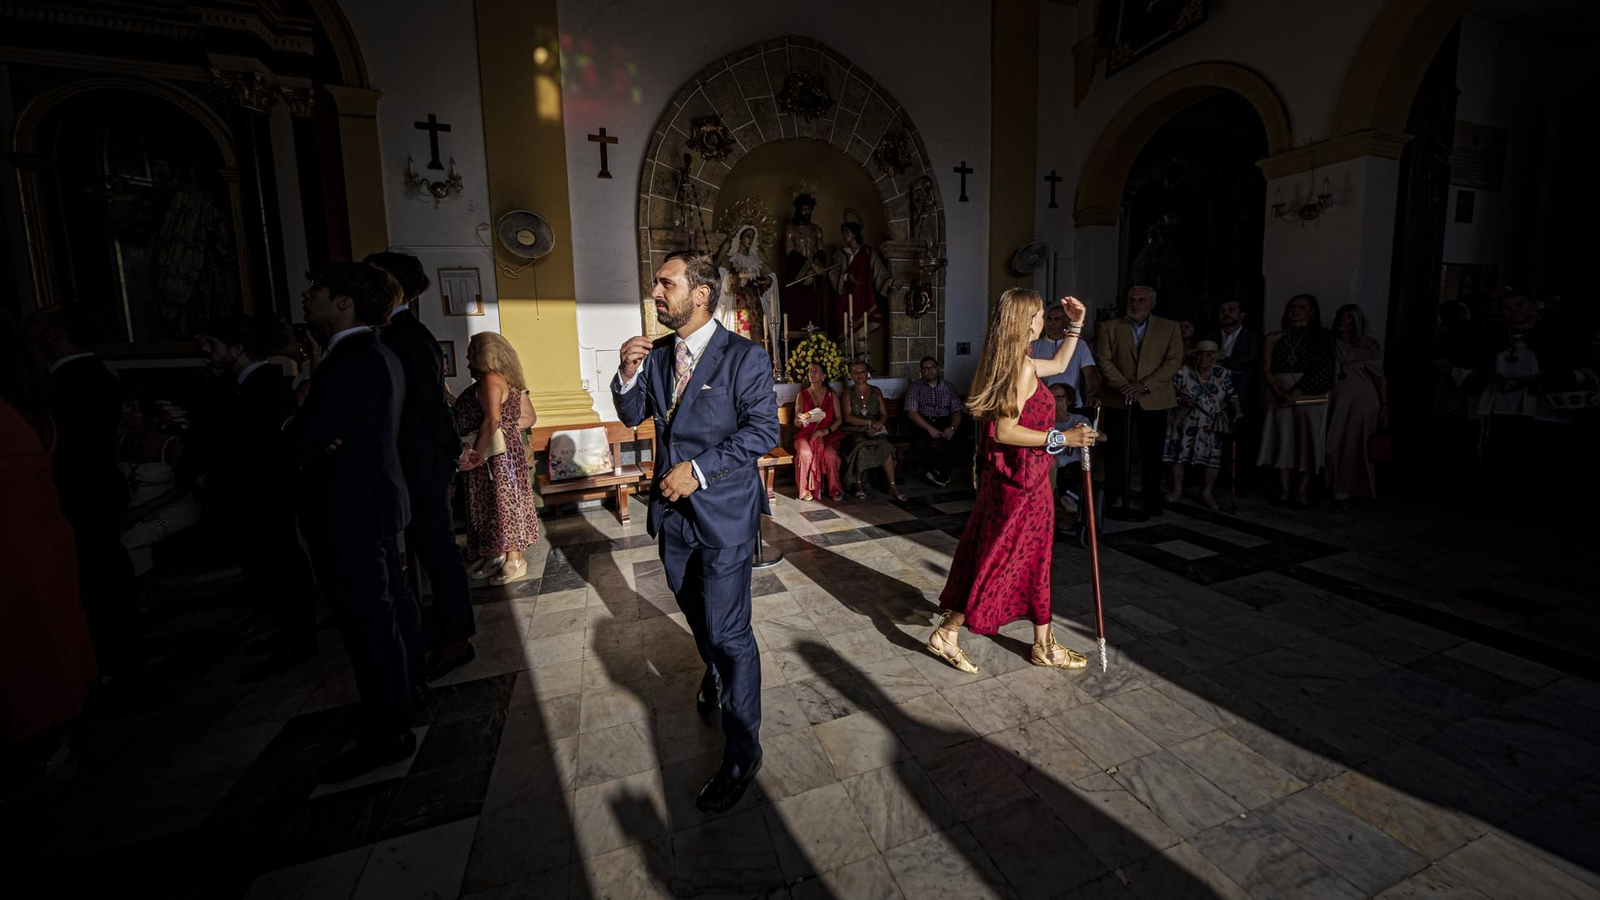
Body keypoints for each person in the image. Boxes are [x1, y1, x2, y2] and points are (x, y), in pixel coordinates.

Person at [613, 251, 779, 813]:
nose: (656, 292)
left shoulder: (744, 357)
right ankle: (713, 670)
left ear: (702, 293)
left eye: (666, 284)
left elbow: (762, 430)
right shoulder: (660, 354)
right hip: (672, 516)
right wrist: (627, 373)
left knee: (730, 633)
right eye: (656, 284)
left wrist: (699, 471)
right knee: (692, 607)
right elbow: (632, 414)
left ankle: (743, 751)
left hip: (724, 513)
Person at [278, 262, 423, 782]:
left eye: (316, 290)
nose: (307, 297)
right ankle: (406, 696)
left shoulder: (350, 361)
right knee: (391, 607)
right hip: (372, 500)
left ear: (344, 301)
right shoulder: (376, 352)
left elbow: (298, 443)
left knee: (368, 624)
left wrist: (298, 428)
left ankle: (388, 731)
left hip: (349, 508)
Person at [930, 290, 1098, 673]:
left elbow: (1060, 362)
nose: (1043, 320)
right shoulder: (1020, 369)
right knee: (1004, 560)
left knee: (1022, 559)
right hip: (1022, 485)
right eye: (1039, 314)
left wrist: (1076, 325)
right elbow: (1004, 431)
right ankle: (950, 631)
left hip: (1017, 481)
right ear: (1026, 321)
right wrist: (1063, 438)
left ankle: (1044, 644)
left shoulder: (1010, 362)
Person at [366, 252, 476, 680]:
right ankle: (434, 628)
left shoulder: (408, 336)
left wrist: (453, 451)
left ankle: (455, 639)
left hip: (422, 459)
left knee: (438, 550)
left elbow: (430, 404)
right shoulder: (390, 333)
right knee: (424, 549)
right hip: (410, 458)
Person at [194, 314, 316, 679]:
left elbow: (260, 446)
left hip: (267, 492)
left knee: (283, 563)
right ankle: (285, 632)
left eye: (212, 344)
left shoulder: (266, 385)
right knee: (266, 565)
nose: (204, 350)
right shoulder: (235, 383)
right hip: (250, 493)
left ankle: (298, 639)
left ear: (238, 348)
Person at [0, 311, 97, 769]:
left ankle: (39, 738)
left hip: (14, 539)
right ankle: (55, 729)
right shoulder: (36, 400)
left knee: (24, 636)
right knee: (47, 628)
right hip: (44, 533)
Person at [24, 304, 139, 686]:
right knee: (105, 574)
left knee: (96, 580)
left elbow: (67, 448)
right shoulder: (97, 374)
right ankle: (117, 660)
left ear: (56, 333)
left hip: (80, 493)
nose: (30, 330)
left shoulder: (64, 383)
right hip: (99, 487)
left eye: (37, 323)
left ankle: (111, 664)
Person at [454, 332, 540, 586]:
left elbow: (492, 420)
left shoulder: (491, 380)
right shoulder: (498, 379)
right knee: (493, 505)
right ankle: (497, 553)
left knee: (504, 505)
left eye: (471, 352)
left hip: (497, 458)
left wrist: (477, 454)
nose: (468, 359)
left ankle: (514, 559)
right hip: (500, 454)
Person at [1092, 285, 1185, 516]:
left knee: (1152, 451)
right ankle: (1112, 493)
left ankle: (1151, 497)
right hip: (1118, 397)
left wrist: (1144, 386)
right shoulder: (1110, 327)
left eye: (1142, 300)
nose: (1135, 304)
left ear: (1153, 303)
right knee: (1114, 449)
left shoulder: (1170, 327)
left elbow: (1173, 361)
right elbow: (1103, 359)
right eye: (1132, 299)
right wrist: (1124, 386)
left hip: (1153, 397)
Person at [1258, 293, 1336, 508]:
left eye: (1302, 307)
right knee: (1283, 439)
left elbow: (1323, 368)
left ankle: (1302, 490)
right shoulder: (1275, 337)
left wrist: (1296, 393)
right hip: (1279, 393)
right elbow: (1266, 367)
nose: (1296, 310)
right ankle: (1284, 489)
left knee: (1307, 440)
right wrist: (1278, 391)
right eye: (1292, 306)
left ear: (1312, 312)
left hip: (1310, 394)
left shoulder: (1321, 337)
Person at [116, 394, 202, 589]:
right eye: (125, 406)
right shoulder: (121, 441)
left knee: (133, 536)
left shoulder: (171, 445)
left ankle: (147, 589)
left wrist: (144, 508)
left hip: (174, 506)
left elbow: (186, 484)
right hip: (135, 505)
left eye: (133, 408)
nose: (125, 411)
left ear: (150, 416)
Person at [1162, 340, 1239, 510]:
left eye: (1209, 355)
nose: (1205, 358)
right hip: (1184, 421)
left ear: (1216, 357)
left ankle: (1207, 492)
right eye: (1201, 354)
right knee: (1178, 455)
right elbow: (1169, 393)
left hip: (1210, 424)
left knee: (1212, 458)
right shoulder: (1183, 371)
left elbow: (1233, 395)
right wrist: (1181, 400)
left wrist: (1237, 412)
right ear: (1194, 356)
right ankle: (1177, 489)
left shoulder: (1222, 373)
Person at [1326, 304, 1388, 507]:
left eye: (1349, 317)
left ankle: (1350, 489)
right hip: (1336, 399)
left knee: (1355, 445)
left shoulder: (1369, 346)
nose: (1344, 320)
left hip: (1362, 400)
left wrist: (1385, 404)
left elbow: (1379, 377)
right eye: (1341, 316)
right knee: (1332, 443)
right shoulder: (1330, 342)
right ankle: (1330, 486)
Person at [1205, 299, 1263, 481]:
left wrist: (1222, 362)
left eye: (1231, 309)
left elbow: (1251, 358)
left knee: (1242, 438)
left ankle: (1240, 480)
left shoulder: (1253, 336)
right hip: (1214, 395)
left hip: (1243, 394)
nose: (1226, 313)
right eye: (1222, 310)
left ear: (1242, 315)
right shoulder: (1211, 337)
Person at [840, 360, 905, 501]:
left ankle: (892, 485)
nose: (859, 375)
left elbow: (884, 414)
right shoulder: (848, 393)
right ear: (851, 375)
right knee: (860, 447)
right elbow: (848, 417)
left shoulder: (876, 391)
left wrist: (878, 425)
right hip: (855, 430)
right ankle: (858, 483)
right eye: (855, 373)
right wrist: (869, 423)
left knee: (885, 446)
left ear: (867, 373)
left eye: (862, 372)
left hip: (875, 430)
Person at [904, 356, 968, 487]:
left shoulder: (949, 387)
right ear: (921, 371)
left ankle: (939, 473)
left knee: (960, 441)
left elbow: (956, 411)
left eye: (932, 367)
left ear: (937, 368)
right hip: (924, 422)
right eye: (926, 368)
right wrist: (930, 429)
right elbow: (912, 413)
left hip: (945, 421)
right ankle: (937, 474)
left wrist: (952, 428)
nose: (930, 371)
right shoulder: (915, 388)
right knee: (921, 443)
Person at [793, 361, 845, 502]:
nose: (812, 373)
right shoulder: (802, 395)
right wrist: (799, 420)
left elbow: (839, 420)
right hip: (805, 435)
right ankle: (804, 490)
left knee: (830, 455)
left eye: (816, 371)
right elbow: (796, 420)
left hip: (828, 435)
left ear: (824, 376)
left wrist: (827, 430)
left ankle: (835, 489)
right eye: (810, 371)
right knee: (805, 454)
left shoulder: (831, 395)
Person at [1030, 304, 1100, 405]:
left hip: (1071, 403)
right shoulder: (1034, 345)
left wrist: (1092, 394)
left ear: (1066, 322)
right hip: (1043, 403)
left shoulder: (1079, 345)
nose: (1051, 323)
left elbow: (1090, 373)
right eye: (1049, 318)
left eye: (1056, 319)